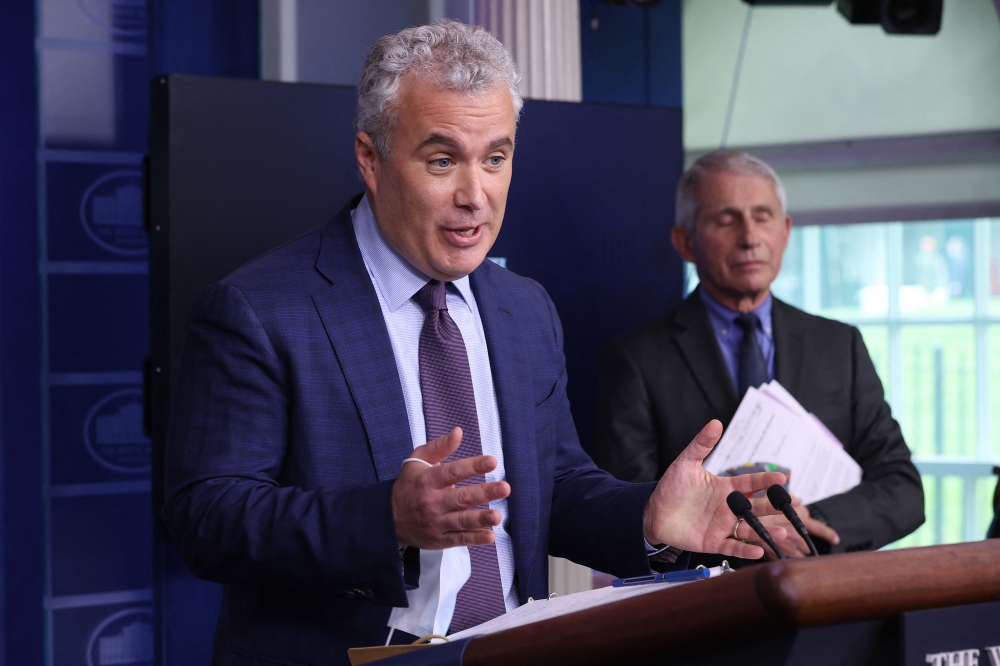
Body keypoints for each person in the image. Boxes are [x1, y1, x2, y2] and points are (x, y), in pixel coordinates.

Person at [162, 24, 787, 666]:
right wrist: (388, 519)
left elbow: (558, 486)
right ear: (370, 158)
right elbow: (207, 517)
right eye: (442, 160)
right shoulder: (260, 308)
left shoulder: (523, 308)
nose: (475, 195)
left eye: (495, 158)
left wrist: (648, 518)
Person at [592, 150, 925, 562]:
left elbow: (904, 488)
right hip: (704, 610)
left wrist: (809, 523)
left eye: (763, 217)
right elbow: (630, 514)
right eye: (726, 220)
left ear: (785, 231)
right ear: (685, 241)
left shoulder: (839, 345)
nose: (750, 237)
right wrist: (739, 534)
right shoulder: (635, 359)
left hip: (831, 606)